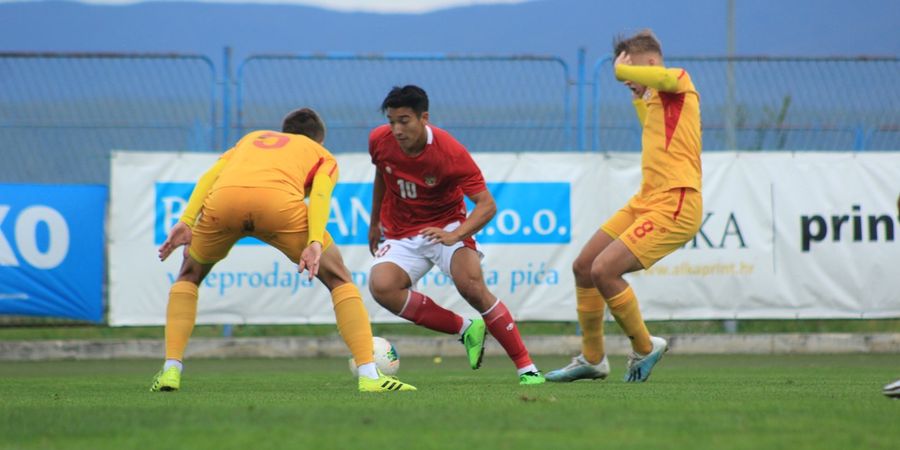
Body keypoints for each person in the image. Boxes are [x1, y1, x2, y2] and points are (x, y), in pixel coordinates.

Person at [150, 108, 416, 393]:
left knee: (189, 274)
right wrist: (314, 240)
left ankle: (170, 370)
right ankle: (369, 375)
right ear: (319, 140)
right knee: (339, 279)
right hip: (278, 208)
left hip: (223, 204)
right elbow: (321, 194)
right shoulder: (320, 154)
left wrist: (186, 220)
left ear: (283, 132)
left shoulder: (250, 140)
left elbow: (210, 176)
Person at [547, 30, 703, 383]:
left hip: (677, 202)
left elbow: (660, 78)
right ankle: (592, 358)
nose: (627, 82)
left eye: (632, 73)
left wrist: (621, 70)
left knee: (605, 271)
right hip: (646, 201)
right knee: (585, 266)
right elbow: (651, 125)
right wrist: (635, 89)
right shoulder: (653, 100)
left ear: (649, 63)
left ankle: (646, 347)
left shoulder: (679, 81)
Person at [366, 85, 545, 385]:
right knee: (382, 287)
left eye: (404, 120)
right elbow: (382, 174)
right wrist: (374, 223)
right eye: (391, 120)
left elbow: (487, 205)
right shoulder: (379, 141)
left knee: (472, 286)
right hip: (400, 231)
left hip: (446, 225)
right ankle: (465, 329)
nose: (396, 129)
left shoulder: (449, 152)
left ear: (424, 118)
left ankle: (527, 368)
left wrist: (456, 234)